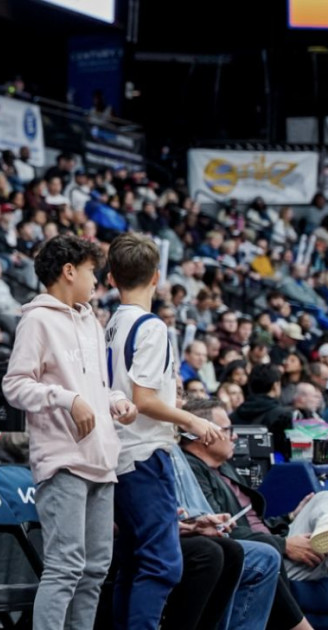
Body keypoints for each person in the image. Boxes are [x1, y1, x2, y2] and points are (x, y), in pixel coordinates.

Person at [4, 234, 138, 630]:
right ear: (68, 271)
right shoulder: (37, 320)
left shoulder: (92, 321)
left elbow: (96, 385)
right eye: (91, 270)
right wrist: (67, 399)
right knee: (65, 567)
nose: (96, 280)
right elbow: (15, 385)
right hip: (63, 460)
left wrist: (116, 400)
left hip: (101, 460)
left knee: (95, 570)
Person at [105, 233, 225, 630]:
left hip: (117, 452)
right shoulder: (151, 326)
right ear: (157, 277)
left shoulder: (111, 323)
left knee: (133, 561)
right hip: (143, 451)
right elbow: (144, 399)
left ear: (111, 278)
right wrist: (193, 420)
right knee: (162, 564)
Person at [182, 398, 321, 630]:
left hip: (277, 537)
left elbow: (253, 520)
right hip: (269, 548)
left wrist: (289, 517)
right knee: (265, 555)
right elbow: (225, 530)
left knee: (321, 499)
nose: (235, 436)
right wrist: (284, 544)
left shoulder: (225, 466)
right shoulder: (193, 471)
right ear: (202, 434)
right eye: (227, 430)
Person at [233, 365, 298, 460]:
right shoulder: (283, 416)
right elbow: (288, 453)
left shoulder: (233, 415)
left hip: (238, 466)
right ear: (275, 385)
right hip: (274, 466)